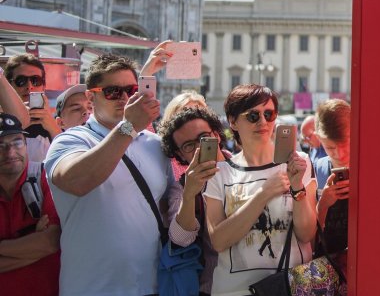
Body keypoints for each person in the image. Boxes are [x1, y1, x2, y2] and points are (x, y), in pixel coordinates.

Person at [45, 53, 171, 296]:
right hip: (91, 288)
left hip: (152, 285)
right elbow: (77, 180)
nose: (124, 98)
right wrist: (129, 127)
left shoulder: (155, 144)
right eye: (113, 91)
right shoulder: (72, 140)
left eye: (131, 90)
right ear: (91, 97)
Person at [204, 85, 317, 296]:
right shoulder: (220, 173)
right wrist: (263, 194)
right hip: (234, 291)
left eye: (269, 114)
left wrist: (297, 187)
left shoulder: (298, 163)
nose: (263, 122)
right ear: (233, 121)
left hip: (292, 287)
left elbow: (307, 233)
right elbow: (218, 241)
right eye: (253, 116)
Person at [159, 106, 230, 295]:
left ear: (216, 134)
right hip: (215, 287)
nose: (199, 148)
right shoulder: (182, 186)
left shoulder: (245, 167)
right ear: (180, 154)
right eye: (189, 145)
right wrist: (189, 194)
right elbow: (181, 239)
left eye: (203, 138)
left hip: (264, 282)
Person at [0, 114, 60, 296]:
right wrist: (33, 241)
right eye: (0, 146)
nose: (10, 153)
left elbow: (52, 241)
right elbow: (45, 245)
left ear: (26, 145)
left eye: (17, 142)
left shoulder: (47, 178)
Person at [1, 54, 60, 160]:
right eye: (21, 81)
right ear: (9, 85)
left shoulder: (57, 123)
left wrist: (53, 127)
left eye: (36, 80)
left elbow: (67, 156)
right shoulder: (2, 120)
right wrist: (17, 124)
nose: (29, 86)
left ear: (44, 85)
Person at [313, 99, 350, 259]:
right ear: (318, 139)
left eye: (346, 144)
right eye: (330, 147)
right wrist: (323, 205)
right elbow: (308, 236)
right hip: (326, 263)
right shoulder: (315, 170)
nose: (339, 154)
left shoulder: (371, 170)